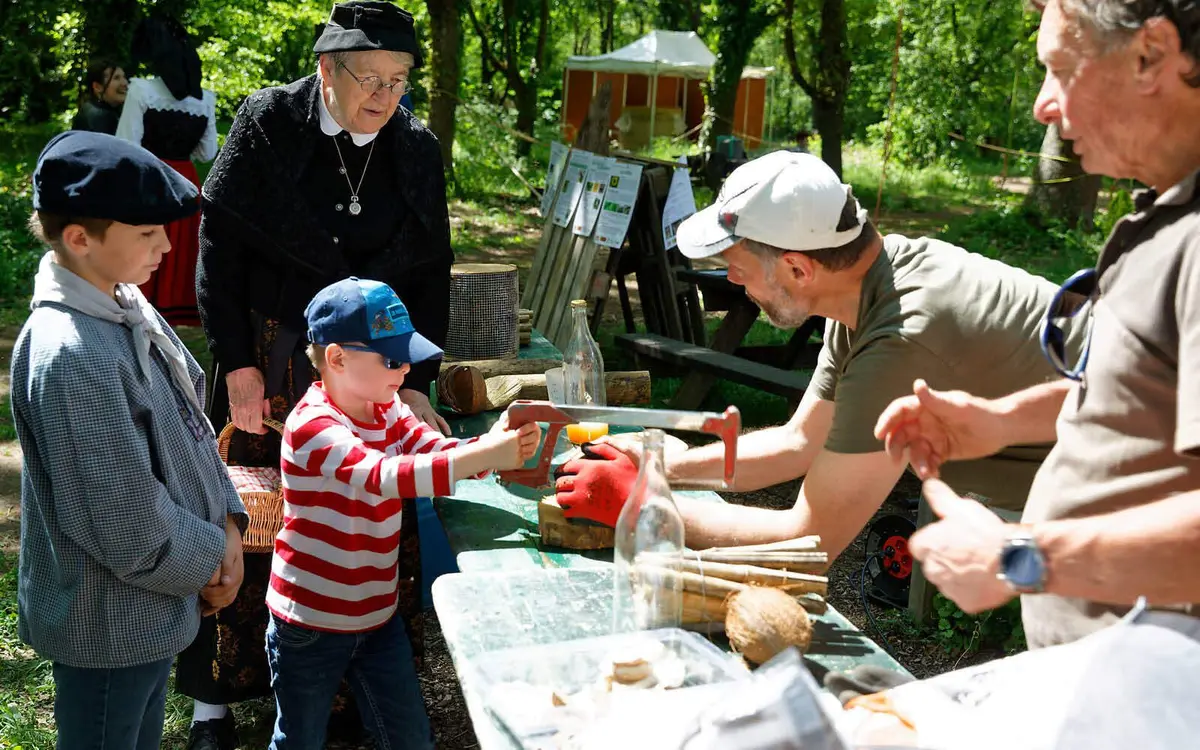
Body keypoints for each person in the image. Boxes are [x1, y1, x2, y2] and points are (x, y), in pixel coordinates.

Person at [554, 150, 1084, 559]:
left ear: (797, 268)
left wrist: (640, 505)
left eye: (737, 267)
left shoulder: (901, 338)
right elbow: (799, 442)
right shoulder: (869, 285)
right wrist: (662, 466)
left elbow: (809, 538)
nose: (733, 282)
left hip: (1115, 497)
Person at [873, 0, 1200, 651]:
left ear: (1151, 55)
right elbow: (1142, 391)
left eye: (1061, 69)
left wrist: (1021, 558)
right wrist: (1000, 421)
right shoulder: (1168, 212)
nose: (1042, 106)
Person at [182, 3, 453, 747]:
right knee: (248, 518)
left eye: (400, 80)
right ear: (327, 68)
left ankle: (352, 698)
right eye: (371, 78)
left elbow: (432, 270)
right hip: (270, 357)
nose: (386, 97)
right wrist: (237, 364)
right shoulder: (268, 123)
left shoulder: (414, 146)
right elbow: (218, 250)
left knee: (365, 517)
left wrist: (417, 379)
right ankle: (214, 704)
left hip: (374, 370)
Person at [14, 131, 246, 750]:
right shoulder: (73, 354)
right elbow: (123, 520)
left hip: (152, 606)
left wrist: (227, 524)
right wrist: (211, 558)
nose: (166, 246)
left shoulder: (124, 303)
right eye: (146, 233)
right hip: (108, 622)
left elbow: (191, 427)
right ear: (80, 239)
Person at [265, 278, 541, 749]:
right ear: (337, 358)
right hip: (310, 622)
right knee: (299, 739)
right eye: (392, 360)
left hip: (377, 614)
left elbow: (431, 450)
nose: (407, 367)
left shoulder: (387, 406)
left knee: (409, 737)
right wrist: (485, 455)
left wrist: (489, 447)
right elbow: (384, 476)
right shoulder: (312, 424)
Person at [116, 16, 217, 327]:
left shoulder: (141, 90)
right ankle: (173, 313)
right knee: (177, 250)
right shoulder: (205, 99)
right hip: (186, 181)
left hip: (150, 177)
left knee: (145, 244)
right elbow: (207, 152)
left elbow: (126, 143)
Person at [71, 59, 128, 134]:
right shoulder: (101, 117)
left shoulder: (91, 108)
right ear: (97, 87)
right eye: (116, 78)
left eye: (124, 77)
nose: (125, 83)